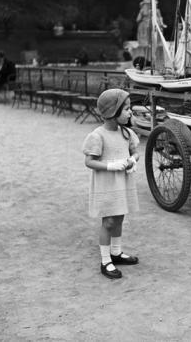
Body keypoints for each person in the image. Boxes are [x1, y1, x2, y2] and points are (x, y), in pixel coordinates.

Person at [82, 89, 140, 279]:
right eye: (126, 109)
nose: (130, 112)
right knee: (108, 222)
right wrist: (111, 165)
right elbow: (89, 161)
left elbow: (135, 151)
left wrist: (133, 160)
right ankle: (105, 260)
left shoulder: (126, 133)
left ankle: (116, 252)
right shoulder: (98, 136)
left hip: (121, 184)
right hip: (107, 185)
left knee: (120, 218)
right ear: (112, 112)